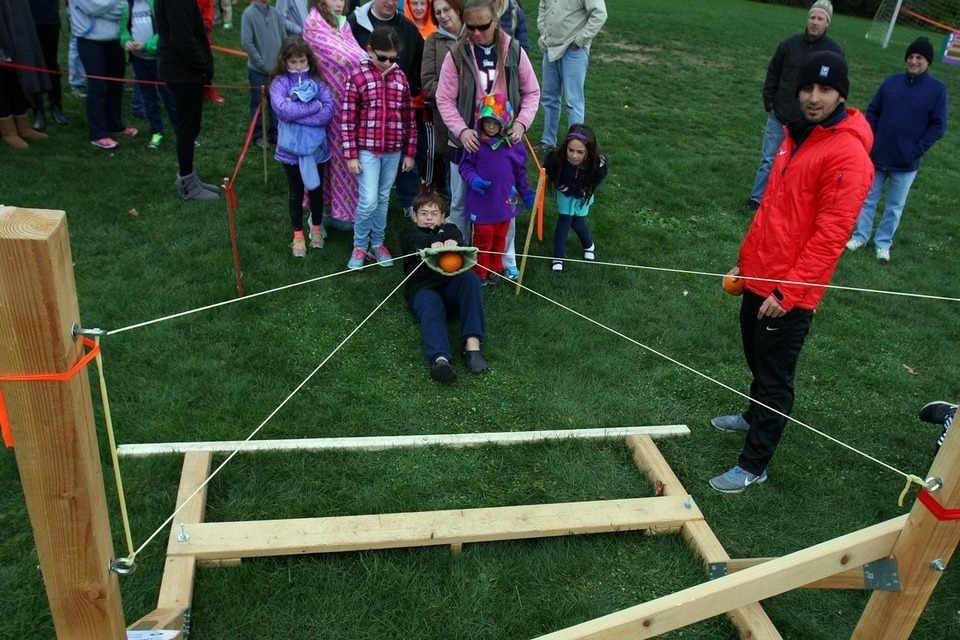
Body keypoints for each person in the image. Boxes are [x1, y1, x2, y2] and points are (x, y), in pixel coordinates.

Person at [709, 51, 874, 494]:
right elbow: (774, 210)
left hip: (789, 292)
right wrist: (747, 261)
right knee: (756, 356)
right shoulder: (795, 134)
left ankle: (754, 464)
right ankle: (753, 414)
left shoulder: (847, 154)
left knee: (775, 377)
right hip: (759, 275)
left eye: (825, 89)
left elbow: (831, 235)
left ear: (841, 95)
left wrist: (789, 293)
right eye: (808, 88)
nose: (814, 97)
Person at [435, 0, 539, 281]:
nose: (477, 33)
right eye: (471, 27)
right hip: (467, 143)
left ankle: (505, 260)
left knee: (507, 202)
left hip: (504, 144)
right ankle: (458, 254)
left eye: (483, 26)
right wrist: (461, 130)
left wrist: (521, 123)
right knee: (459, 202)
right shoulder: (457, 53)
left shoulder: (514, 50)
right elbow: (444, 98)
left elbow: (532, 92)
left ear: (495, 22)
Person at [845, 37, 948, 263]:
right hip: (877, 155)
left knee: (894, 206)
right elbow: (873, 111)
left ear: (928, 62)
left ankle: (883, 244)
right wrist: (871, 140)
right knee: (867, 199)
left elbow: (938, 126)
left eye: (919, 57)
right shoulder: (890, 83)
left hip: (906, 162)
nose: (913, 61)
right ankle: (860, 236)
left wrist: (916, 150)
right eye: (910, 56)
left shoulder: (937, 90)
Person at [745, 0, 843, 212]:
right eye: (812, 17)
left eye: (820, 19)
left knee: (800, 165)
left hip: (809, 121)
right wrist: (770, 104)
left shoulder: (833, 52)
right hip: (779, 115)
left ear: (828, 23)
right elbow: (773, 74)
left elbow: (837, 88)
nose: (815, 22)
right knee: (769, 159)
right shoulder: (789, 45)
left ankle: (785, 202)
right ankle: (757, 199)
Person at [341, 26, 417, 269]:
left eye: (393, 59)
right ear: (370, 50)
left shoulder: (400, 77)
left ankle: (378, 243)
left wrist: (409, 152)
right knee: (368, 200)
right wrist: (351, 155)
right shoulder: (357, 76)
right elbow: (347, 118)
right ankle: (360, 246)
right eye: (382, 57)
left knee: (383, 197)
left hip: (393, 150)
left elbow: (409, 117)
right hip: (367, 150)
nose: (387, 63)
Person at [400, 190, 488, 382]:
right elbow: (413, 242)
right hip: (424, 291)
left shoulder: (450, 230)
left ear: (442, 217)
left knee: (471, 279)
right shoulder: (409, 233)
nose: (429, 218)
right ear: (415, 217)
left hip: (451, 291)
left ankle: (472, 347)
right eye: (423, 213)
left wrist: (452, 242)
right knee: (431, 305)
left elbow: (457, 237)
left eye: (434, 213)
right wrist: (432, 244)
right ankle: (440, 360)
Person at [347, 0, 424, 217]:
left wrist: (411, 86)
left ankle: (409, 203)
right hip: (366, 120)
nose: (390, 3)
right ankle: (358, 216)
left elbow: (420, 59)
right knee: (369, 193)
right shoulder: (355, 23)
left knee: (402, 166)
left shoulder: (407, 27)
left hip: (398, 109)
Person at [458, 93, 534, 284]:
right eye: (487, 122)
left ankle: (495, 267)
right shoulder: (475, 144)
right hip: (482, 203)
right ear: (480, 121)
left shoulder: (513, 146)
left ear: (505, 123)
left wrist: (526, 192)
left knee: (500, 237)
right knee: (483, 238)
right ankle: (480, 270)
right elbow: (465, 166)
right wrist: (473, 179)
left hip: (505, 203)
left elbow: (520, 172)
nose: (491, 127)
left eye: (495, 123)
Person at [303, 0, 366, 228]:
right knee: (322, 160)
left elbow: (356, 54)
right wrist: (359, 59)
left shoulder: (343, 24)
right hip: (324, 105)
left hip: (347, 106)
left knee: (345, 157)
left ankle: (341, 211)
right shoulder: (313, 23)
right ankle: (318, 216)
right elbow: (338, 56)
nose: (339, 3)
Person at [270, 37, 334, 256]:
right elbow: (282, 110)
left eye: (301, 61)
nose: (298, 66)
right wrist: (314, 106)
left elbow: (327, 114)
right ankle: (297, 236)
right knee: (295, 192)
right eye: (293, 62)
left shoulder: (319, 81)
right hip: (290, 151)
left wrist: (295, 113)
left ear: (309, 59)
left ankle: (316, 229)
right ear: (284, 61)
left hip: (316, 149)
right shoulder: (279, 83)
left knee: (316, 191)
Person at [156, 0, 220, 200]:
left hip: (183, 70)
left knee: (190, 128)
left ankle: (190, 177)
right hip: (183, 72)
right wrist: (202, 64)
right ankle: (187, 184)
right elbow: (182, 38)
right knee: (187, 129)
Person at [533, 0, 606, 155]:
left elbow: (600, 14)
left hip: (574, 51)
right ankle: (548, 141)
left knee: (573, 101)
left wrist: (580, 40)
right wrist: (545, 32)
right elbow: (543, 8)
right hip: (550, 47)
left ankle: (576, 146)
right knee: (549, 98)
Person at [72, 0, 138, 149]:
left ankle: (115, 125)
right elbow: (94, 7)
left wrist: (105, 10)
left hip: (114, 39)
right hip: (90, 40)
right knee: (98, 86)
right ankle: (98, 133)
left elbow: (125, 9)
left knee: (116, 84)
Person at [545, 123, 606, 273]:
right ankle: (558, 257)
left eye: (580, 152)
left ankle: (589, 245)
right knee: (564, 221)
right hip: (564, 193)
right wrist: (561, 186)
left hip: (583, 195)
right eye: (570, 150)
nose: (574, 155)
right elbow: (549, 169)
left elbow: (600, 176)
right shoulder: (557, 158)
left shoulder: (597, 163)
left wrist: (588, 189)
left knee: (577, 222)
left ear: (589, 150)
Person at [120, 0, 181, 149]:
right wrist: (126, 41)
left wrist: (147, 46)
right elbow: (123, 30)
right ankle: (156, 132)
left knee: (170, 97)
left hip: (160, 60)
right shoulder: (128, 5)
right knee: (148, 98)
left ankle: (182, 133)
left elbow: (165, 30)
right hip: (139, 61)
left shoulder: (157, 3)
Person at [420, 0, 464, 195]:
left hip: (478, 117)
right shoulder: (433, 41)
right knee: (452, 176)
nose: (443, 16)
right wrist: (454, 94)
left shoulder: (475, 33)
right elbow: (428, 80)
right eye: (438, 13)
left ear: (458, 8)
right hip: (447, 119)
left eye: (447, 10)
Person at [0, 0, 50, 149]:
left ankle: (23, 126)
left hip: (16, 32)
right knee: (2, 84)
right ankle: (8, 131)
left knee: (17, 80)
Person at [242, 0, 285, 148]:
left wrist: (281, 61)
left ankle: (275, 132)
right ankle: (259, 135)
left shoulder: (276, 13)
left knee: (276, 103)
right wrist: (261, 63)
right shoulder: (248, 14)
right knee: (257, 104)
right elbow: (246, 42)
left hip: (277, 70)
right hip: (258, 72)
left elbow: (283, 38)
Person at [29, 0, 67, 129]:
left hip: (50, 18)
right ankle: (38, 109)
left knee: (51, 64)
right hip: (29, 19)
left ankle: (56, 105)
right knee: (33, 66)